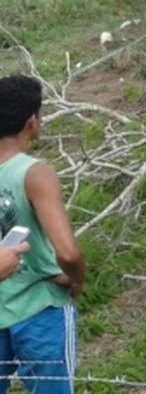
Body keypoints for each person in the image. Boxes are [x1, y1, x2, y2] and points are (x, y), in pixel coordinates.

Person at [0, 75, 85, 393]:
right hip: (40, 307)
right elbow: (68, 252)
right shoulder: (34, 173)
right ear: (32, 122)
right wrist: (77, 279)